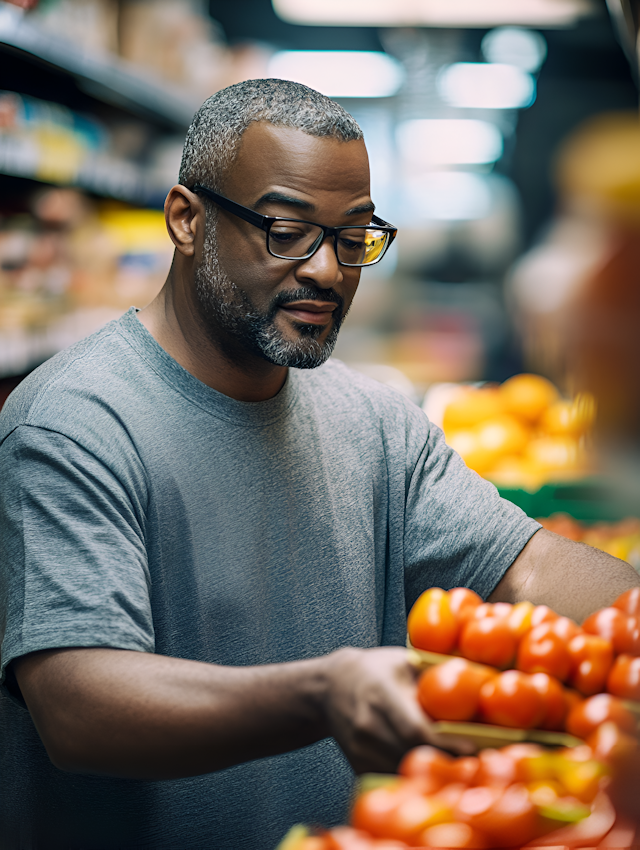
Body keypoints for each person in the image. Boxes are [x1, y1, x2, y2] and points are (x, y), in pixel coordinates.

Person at [0, 79, 638, 850]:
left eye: (353, 237)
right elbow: (79, 706)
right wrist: (322, 692)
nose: (328, 271)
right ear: (187, 220)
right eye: (287, 231)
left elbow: (528, 572)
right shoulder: (72, 426)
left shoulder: (371, 423)